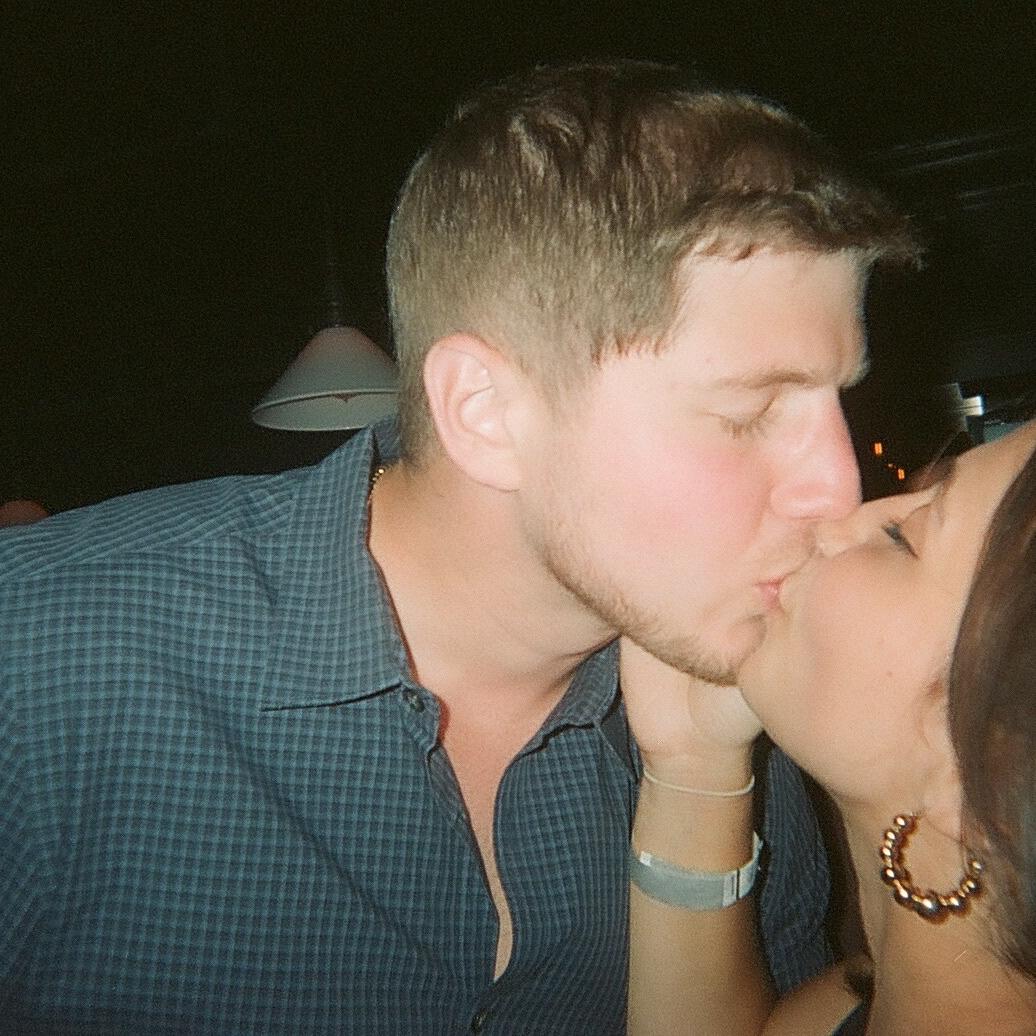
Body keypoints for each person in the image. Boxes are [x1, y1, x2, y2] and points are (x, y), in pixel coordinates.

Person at [0, 62, 918, 1033]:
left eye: (836, 404)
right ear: (485, 412)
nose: (838, 490)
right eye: (747, 412)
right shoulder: (40, 664)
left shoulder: (729, 721)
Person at [624, 419, 1036, 1034]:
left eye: (902, 538)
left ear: (987, 776)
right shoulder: (861, 1004)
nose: (840, 519)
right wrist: (694, 762)